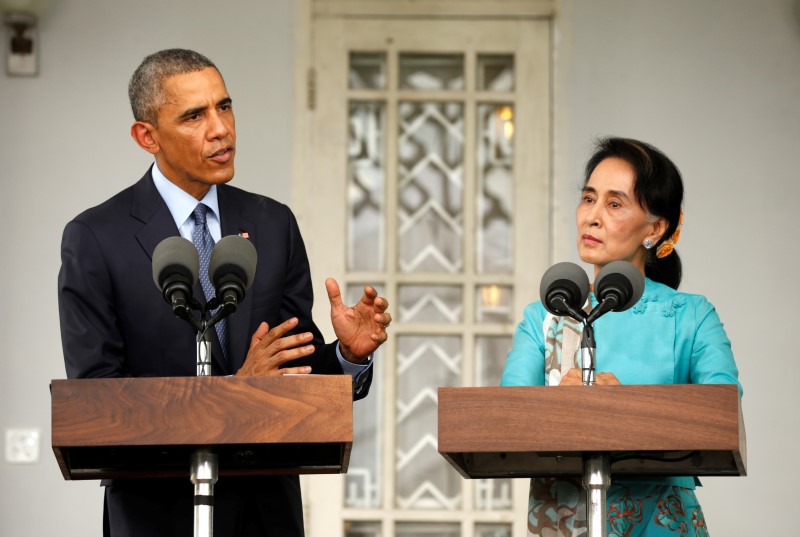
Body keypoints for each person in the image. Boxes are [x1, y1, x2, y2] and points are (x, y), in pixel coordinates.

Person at [58, 48, 392, 537]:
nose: (221, 129)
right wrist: (238, 394)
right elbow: (100, 400)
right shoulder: (95, 237)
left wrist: (345, 355)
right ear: (146, 136)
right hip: (155, 514)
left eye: (225, 106)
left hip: (265, 512)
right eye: (194, 115)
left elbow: (292, 373)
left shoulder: (273, 224)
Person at [500, 137, 741, 537]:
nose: (591, 217)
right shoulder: (544, 317)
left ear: (657, 228)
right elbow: (506, 421)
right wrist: (556, 406)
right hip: (562, 518)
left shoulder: (690, 316)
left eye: (614, 204)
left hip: (659, 523)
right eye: (588, 198)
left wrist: (624, 409)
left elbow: (722, 411)